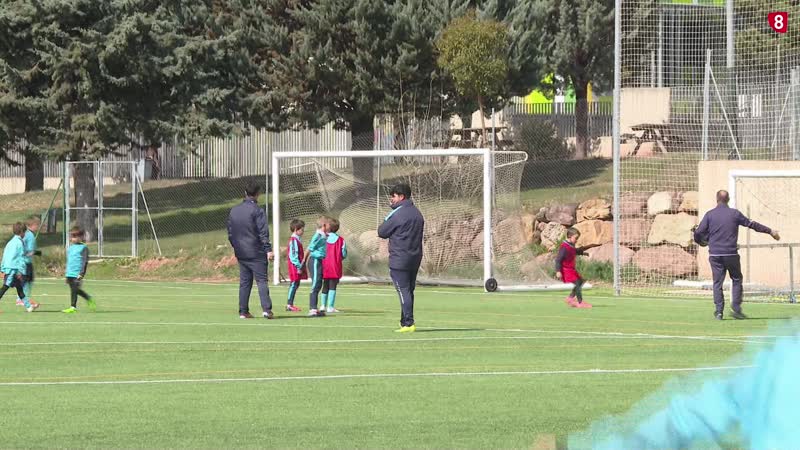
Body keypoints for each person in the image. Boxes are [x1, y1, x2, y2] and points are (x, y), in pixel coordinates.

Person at [693, 189, 780, 320]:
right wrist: (770, 231)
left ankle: (719, 312)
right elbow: (752, 224)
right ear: (728, 199)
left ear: (717, 199)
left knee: (717, 283)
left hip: (715, 255)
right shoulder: (735, 214)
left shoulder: (710, 215)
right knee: (737, 279)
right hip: (731, 254)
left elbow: (699, 232)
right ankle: (737, 309)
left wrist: (702, 242)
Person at [378, 183, 425, 333]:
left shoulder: (398, 214)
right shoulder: (417, 213)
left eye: (393, 196)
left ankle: (408, 323)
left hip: (400, 258)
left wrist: (388, 217)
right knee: (409, 290)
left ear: (401, 197)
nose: (391, 199)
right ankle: (404, 320)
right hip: (415, 256)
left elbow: (382, 231)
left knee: (403, 289)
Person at [227, 181, 274, 319]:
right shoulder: (257, 211)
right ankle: (266, 309)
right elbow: (263, 232)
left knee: (245, 282)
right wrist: (268, 249)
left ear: (245, 193)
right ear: (258, 194)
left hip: (241, 251)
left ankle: (243, 311)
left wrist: (235, 246)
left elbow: (230, 232)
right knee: (261, 280)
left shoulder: (234, 210)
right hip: (255, 251)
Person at [0, 222, 37, 312]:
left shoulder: (10, 242)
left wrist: (2, 268)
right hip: (13, 270)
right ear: (21, 232)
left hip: (9, 268)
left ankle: (28, 307)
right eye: (25, 232)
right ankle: (28, 306)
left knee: (20, 289)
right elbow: (21, 258)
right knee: (5, 287)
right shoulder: (20, 243)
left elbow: (4, 255)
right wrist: (21, 271)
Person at [555, 228, 591, 308]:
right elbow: (558, 259)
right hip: (565, 270)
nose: (577, 240)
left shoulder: (570, 245)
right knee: (578, 283)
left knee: (581, 281)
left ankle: (570, 298)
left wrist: (583, 253)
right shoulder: (564, 247)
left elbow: (574, 251)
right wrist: (558, 271)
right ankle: (580, 302)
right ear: (570, 236)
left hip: (571, 269)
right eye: (576, 238)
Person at [62, 227, 95, 314]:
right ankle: (88, 298)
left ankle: (73, 307)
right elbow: (69, 261)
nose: (73, 238)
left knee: (74, 290)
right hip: (70, 273)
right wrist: (66, 273)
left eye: (76, 236)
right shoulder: (71, 248)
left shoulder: (83, 248)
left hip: (77, 273)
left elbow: (85, 261)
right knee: (75, 290)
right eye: (72, 236)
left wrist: (82, 273)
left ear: (81, 237)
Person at [305, 216, 329, 317]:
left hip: (319, 260)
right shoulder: (318, 235)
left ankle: (315, 308)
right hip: (314, 260)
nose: (329, 226)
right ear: (324, 225)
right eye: (328, 224)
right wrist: (303, 263)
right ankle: (312, 309)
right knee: (315, 284)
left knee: (319, 283)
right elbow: (309, 248)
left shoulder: (323, 234)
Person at [321, 217, 347, 313]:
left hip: (324, 266)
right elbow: (343, 253)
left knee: (325, 285)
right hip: (335, 266)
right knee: (333, 287)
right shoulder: (340, 240)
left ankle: (322, 305)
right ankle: (330, 306)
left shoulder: (323, 237)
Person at [17, 216, 42, 308]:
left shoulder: (25, 234)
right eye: (37, 225)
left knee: (25, 280)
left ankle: (22, 299)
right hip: (26, 262)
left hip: (21, 262)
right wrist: (38, 253)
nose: (38, 227)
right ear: (32, 225)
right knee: (28, 281)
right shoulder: (30, 235)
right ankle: (22, 299)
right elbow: (29, 252)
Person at [285, 219, 306, 312]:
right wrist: (299, 266)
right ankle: (289, 304)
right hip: (295, 266)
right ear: (296, 229)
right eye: (302, 229)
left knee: (296, 284)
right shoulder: (293, 240)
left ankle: (290, 304)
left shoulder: (297, 240)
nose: (303, 231)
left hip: (297, 265)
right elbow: (293, 255)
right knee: (294, 284)